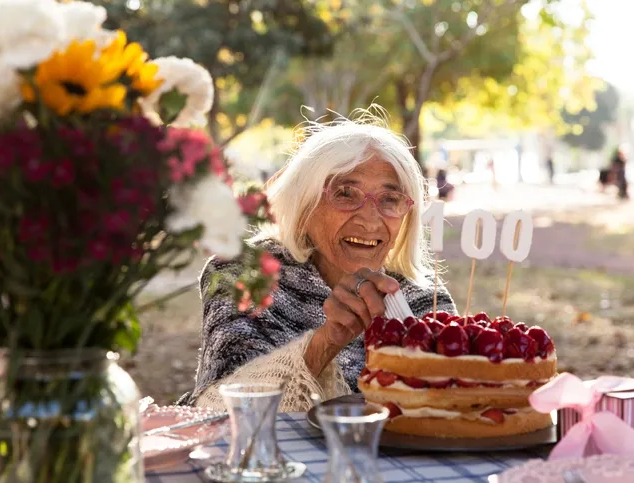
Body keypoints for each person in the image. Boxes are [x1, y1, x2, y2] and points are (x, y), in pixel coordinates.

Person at [180, 117, 457, 412]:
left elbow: (450, 407)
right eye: (345, 193)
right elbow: (220, 407)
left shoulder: (422, 298)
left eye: (390, 199)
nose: (370, 219)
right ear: (304, 203)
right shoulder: (243, 274)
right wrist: (325, 342)